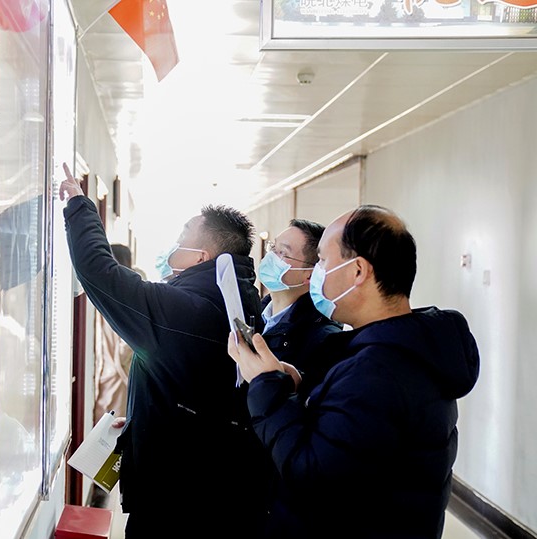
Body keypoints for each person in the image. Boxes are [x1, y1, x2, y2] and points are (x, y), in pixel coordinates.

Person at [229, 204, 480, 538]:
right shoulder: (396, 352)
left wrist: (265, 387)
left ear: (358, 271)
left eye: (322, 261)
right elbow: (351, 446)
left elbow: (314, 475)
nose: (317, 273)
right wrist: (301, 386)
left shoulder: (379, 371)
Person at [60, 163, 267, 538]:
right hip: (210, 486)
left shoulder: (187, 310)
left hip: (174, 501)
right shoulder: (240, 302)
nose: (175, 242)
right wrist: (148, 414)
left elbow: (100, 273)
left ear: (201, 256)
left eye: (183, 235)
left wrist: (78, 206)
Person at [256, 218, 343, 396]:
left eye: (282, 253)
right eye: (273, 248)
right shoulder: (252, 312)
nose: (271, 257)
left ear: (309, 276)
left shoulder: (324, 341)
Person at [90, 243, 134, 508]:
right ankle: (100, 494)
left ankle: (100, 495)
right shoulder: (123, 297)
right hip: (114, 381)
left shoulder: (105, 296)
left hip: (108, 381)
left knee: (107, 442)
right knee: (109, 442)